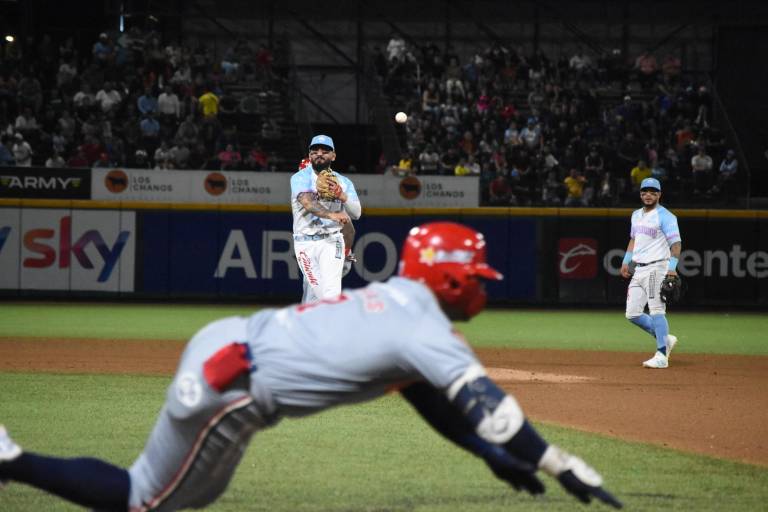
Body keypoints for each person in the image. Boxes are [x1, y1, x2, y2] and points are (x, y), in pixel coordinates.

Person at [0, 221, 622, 511]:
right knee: (141, 498)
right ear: (453, 277)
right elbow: (493, 410)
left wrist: (484, 455)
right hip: (228, 388)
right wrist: (556, 461)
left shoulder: (397, 296)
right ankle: (11, 460)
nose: (482, 290)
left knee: (187, 494)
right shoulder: (427, 327)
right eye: (477, 278)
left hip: (227, 344)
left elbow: (420, 394)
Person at [620, 178, 682, 369]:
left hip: (658, 267)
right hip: (639, 268)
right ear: (640, 194)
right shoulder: (636, 215)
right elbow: (633, 239)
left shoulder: (666, 216)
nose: (648, 195)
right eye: (645, 191)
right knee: (632, 313)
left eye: (653, 192)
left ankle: (662, 355)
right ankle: (665, 338)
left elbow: (676, 245)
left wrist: (672, 268)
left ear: (659, 195)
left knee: (656, 310)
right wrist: (626, 261)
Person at [291, 135, 362, 303]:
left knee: (331, 295)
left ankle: (333, 327)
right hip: (305, 244)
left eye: (325, 151)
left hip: (332, 241)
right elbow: (308, 203)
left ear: (333, 156)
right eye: (314, 151)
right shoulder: (300, 178)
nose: (319, 154)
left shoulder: (343, 182)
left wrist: (342, 196)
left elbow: (356, 214)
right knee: (316, 293)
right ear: (309, 155)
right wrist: (332, 215)